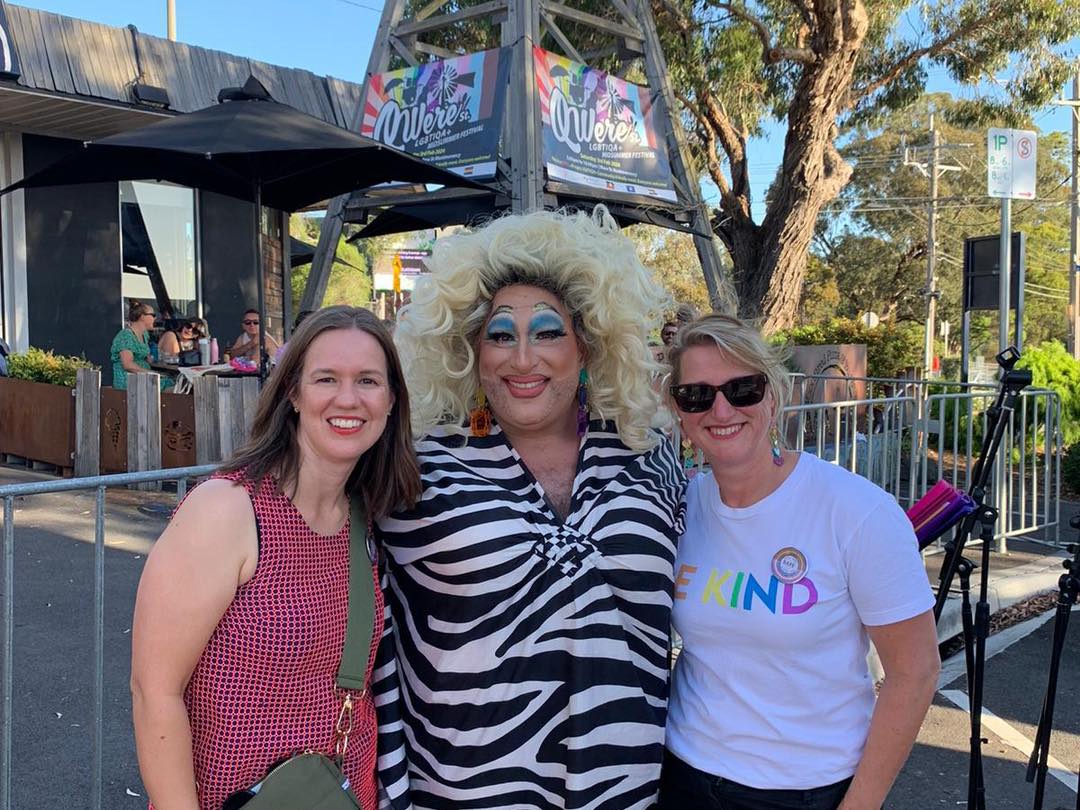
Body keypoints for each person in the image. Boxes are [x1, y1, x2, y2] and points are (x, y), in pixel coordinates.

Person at [379, 207, 686, 808]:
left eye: (548, 332)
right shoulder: (414, 468)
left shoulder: (649, 459)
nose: (523, 359)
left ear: (589, 347)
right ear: (470, 352)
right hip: (466, 790)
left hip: (624, 791)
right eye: (500, 335)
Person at [131, 306, 420, 810]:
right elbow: (154, 691)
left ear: (392, 400)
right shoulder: (228, 510)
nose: (348, 398)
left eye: (368, 381)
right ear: (293, 392)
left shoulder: (364, 518)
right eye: (326, 378)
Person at [660, 313, 940, 810]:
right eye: (697, 395)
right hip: (683, 776)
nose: (720, 409)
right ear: (679, 411)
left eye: (742, 389)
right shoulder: (682, 507)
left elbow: (914, 673)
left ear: (772, 395)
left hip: (806, 790)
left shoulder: (856, 511)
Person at [110, 301, 174, 391]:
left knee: (174, 383)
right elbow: (128, 365)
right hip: (129, 381)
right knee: (173, 387)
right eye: (153, 315)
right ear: (142, 316)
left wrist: (149, 359)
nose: (155, 318)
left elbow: (143, 356)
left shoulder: (145, 334)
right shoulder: (125, 336)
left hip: (143, 377)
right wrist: (152, 373)